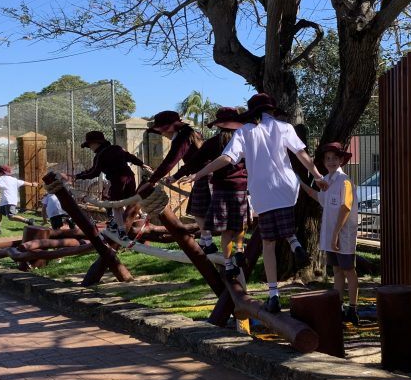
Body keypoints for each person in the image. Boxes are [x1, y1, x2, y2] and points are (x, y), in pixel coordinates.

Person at [179, 93, 329, 315]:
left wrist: (198, 173)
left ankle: (273, 295)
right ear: (272, 111)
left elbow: (227, 159)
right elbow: (301, 153)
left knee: (268, 244)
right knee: (286, 222)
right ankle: (295, 243)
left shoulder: (245, 132)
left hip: (263, 191)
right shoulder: (284, 127)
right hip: (287, 187)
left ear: (252, 113)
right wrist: (317, 176)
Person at [300, 142, 360, 325]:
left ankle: (353, 308)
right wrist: (298, 182)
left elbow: (346, 207)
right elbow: (317, 196)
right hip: (331, 236)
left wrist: (335, 234)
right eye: (328, 158)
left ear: (341, 160)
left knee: (349, 270)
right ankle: (339, 306)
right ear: (324, 162)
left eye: (335, 158)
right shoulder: (327, 180)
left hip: (343, 235)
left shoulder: (345, 181)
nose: (331, 161)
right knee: (336, 270)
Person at [139, 110, 216, 252]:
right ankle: (206, 242)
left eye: (161, 131)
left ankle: (208, 242)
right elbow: (192, 162)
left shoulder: (182, 138)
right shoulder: (191, 134)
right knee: (198, 211)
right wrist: (176, 176)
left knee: (199, 211)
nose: (162, 135)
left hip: (205, 175)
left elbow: (170, 161)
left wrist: (153, 180)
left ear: (168, 128)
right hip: (204, 174)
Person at [74, 130, 151, 244]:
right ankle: (118, 222)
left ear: (96, 143)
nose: (90, 148)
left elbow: (94, 172)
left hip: (117, 180)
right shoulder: (117, 148)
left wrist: (78, 176)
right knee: (129, 201)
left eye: (90, 145)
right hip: (130, 177)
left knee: (116, 206)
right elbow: (130, 157)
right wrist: (142, 164)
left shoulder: (100, 155)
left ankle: (121, 231)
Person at [199, 107, 249, 280]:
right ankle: (240, 249)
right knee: (240, 223)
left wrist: (180, 174)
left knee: (226, 231)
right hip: (240, 187)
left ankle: (228, 266)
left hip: (220, 189)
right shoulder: (245, 140)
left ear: (219, 125)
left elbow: (195, 161)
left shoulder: (212, 143)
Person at [0, 165, 37, 235]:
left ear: (2, 172)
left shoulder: (2, 178)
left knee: (11, 217)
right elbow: (23, 182)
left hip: (8, 201)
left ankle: (28, 221)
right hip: (7, 201)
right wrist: (32, 184)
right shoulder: (14, 179)